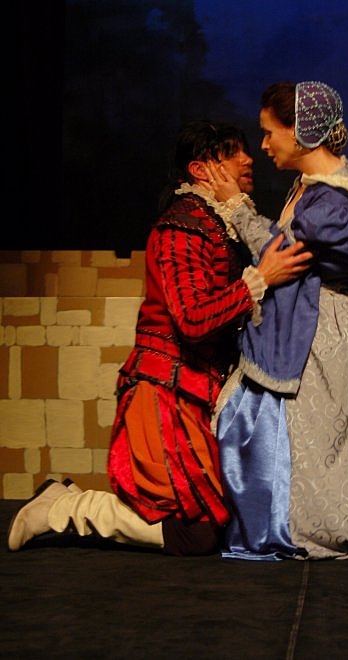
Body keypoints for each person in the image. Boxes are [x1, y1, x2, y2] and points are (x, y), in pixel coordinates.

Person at [7, 119, 312, 556]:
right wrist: (258, 281)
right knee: (196, 534)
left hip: (197, 393)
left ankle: (64, 500)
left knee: (229, 520)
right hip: (164, 393)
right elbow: (191, 319)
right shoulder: (181, 226)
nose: (248, 159)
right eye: (231, 153)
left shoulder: (217, 224)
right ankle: (65, 509)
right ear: (200, 169)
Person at [205, 81, 348, 560]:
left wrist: (237, 207)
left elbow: (283, 255)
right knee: (300, 442)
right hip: (306, 332)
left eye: (270, 132)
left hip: (321, 339)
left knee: (319, 445)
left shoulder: (334, 205)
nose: (264, 145)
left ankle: (313, 526)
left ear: (299, 132)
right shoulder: (312, 188)